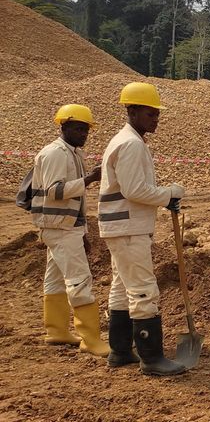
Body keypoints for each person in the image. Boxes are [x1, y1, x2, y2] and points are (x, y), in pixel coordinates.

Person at [99, 82, 186, 376]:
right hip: (127, 227)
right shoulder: (131, 144)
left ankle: (120, 351)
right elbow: (135, 190)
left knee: (122, 289)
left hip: (121, 226)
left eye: (157, 114)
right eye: (150, 114)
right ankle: (151, 358)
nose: (155, 119)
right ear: (132, 111)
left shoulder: (127, 141)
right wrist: (169, 193)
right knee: (143, 291)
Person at [28, 104, 110, 357]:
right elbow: (56, 191)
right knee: (79, 279)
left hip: (64, 227)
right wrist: (90, 179)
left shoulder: (73, 153)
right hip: (58, 228)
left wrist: (82, 230)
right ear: (63, 127)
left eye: (86, 130)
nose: (83, 134)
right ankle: (90, 338)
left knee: (55, 280)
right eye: (78, 129)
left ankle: (56, 330)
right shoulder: (55, 154)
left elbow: (76, 200)